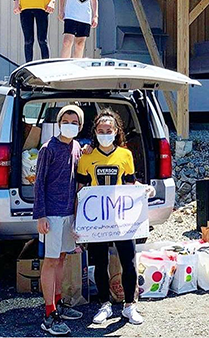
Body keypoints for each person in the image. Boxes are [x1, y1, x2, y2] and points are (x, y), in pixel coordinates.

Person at [76, 109, 155, 325]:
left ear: (116, 131)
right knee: (100, 263)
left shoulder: (125, 155)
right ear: (94, 131)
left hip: (122, 218)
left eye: (108, 130)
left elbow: (130, 183)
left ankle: (129, 305)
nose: (104, 133)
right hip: (97, 221)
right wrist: (78, 221)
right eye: (100, 130)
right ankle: (105, 304)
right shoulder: (87, 156)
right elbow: (81, 189)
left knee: (128, 261)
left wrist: (144, 190)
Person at [33, 105, 85, 336]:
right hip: (52, 214)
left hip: (68, 213)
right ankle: (48, 313)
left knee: (62, 258)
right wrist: (41, 215)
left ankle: (59, 303)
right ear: (58, 122)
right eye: (66, 120)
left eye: (75, 122)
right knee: (50, 261)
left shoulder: (76, 148)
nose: (70, 125)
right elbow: (39, 183)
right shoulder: (48, 148)